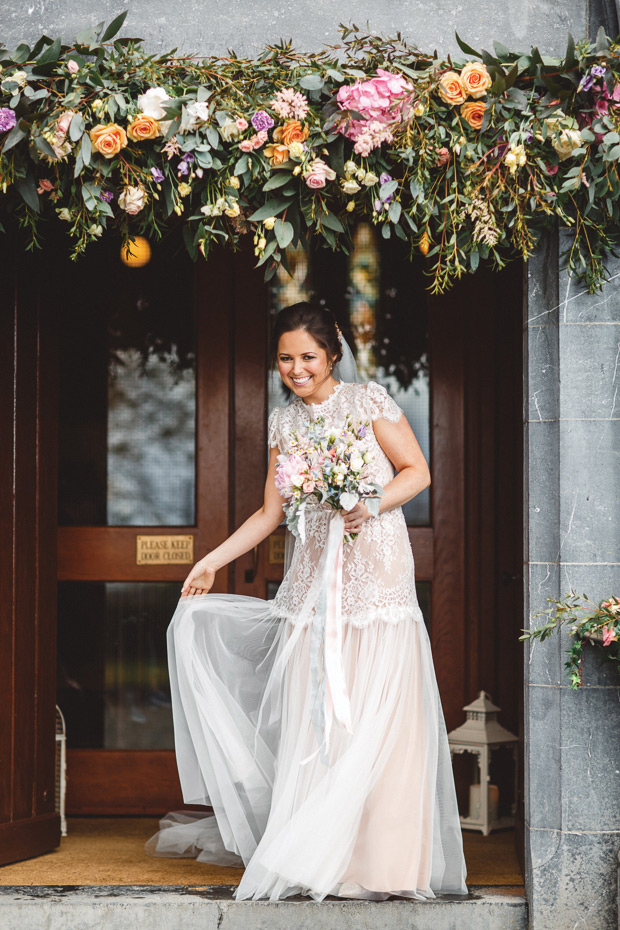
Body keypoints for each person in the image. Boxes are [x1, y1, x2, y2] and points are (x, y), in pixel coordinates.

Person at [145, 302, 467, 902]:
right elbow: (272, 512)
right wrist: (211, 560)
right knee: (317, 718)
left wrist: (368, 503)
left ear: (333, 353)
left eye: (308, 357)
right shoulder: (285, 424)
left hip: (375, 577)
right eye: (286, 359)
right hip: (313, 578)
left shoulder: (368, 402)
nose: (297, 369)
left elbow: (416, 472)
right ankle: (324, 854)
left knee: (377, 712)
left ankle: (384, 863)